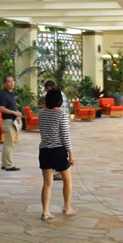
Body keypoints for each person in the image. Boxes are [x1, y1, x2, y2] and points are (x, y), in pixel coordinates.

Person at [38, 87, 76, 221]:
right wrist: (70, 153)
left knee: (47, 183)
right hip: (58, 151)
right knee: (67, 180)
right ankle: (67, 207)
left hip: (44, 151)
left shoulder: (41, 114)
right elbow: (65, 136)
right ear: (59, 100)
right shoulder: (61, 115)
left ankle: (45, 211)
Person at [43, 80, 69, 180]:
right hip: (62, 123)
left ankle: (59, 172)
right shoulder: (61, 94)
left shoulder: (56, 97)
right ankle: (58, 170)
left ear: (49, 88)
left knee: (59, 145)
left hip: (58, 125)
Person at [0, 75, 21, 171]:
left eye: (12, 81)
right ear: (5, 83)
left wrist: (17, 112)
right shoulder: (4, 94)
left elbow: (11, 107)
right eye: (9, 82)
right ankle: (9, 165)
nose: (11, 83)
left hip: (13, 121)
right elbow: (1, 108)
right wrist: (13, 112)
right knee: (9, 144)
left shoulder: (11, 94)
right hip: (8, 121)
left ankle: (4, 163)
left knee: (8, 143)